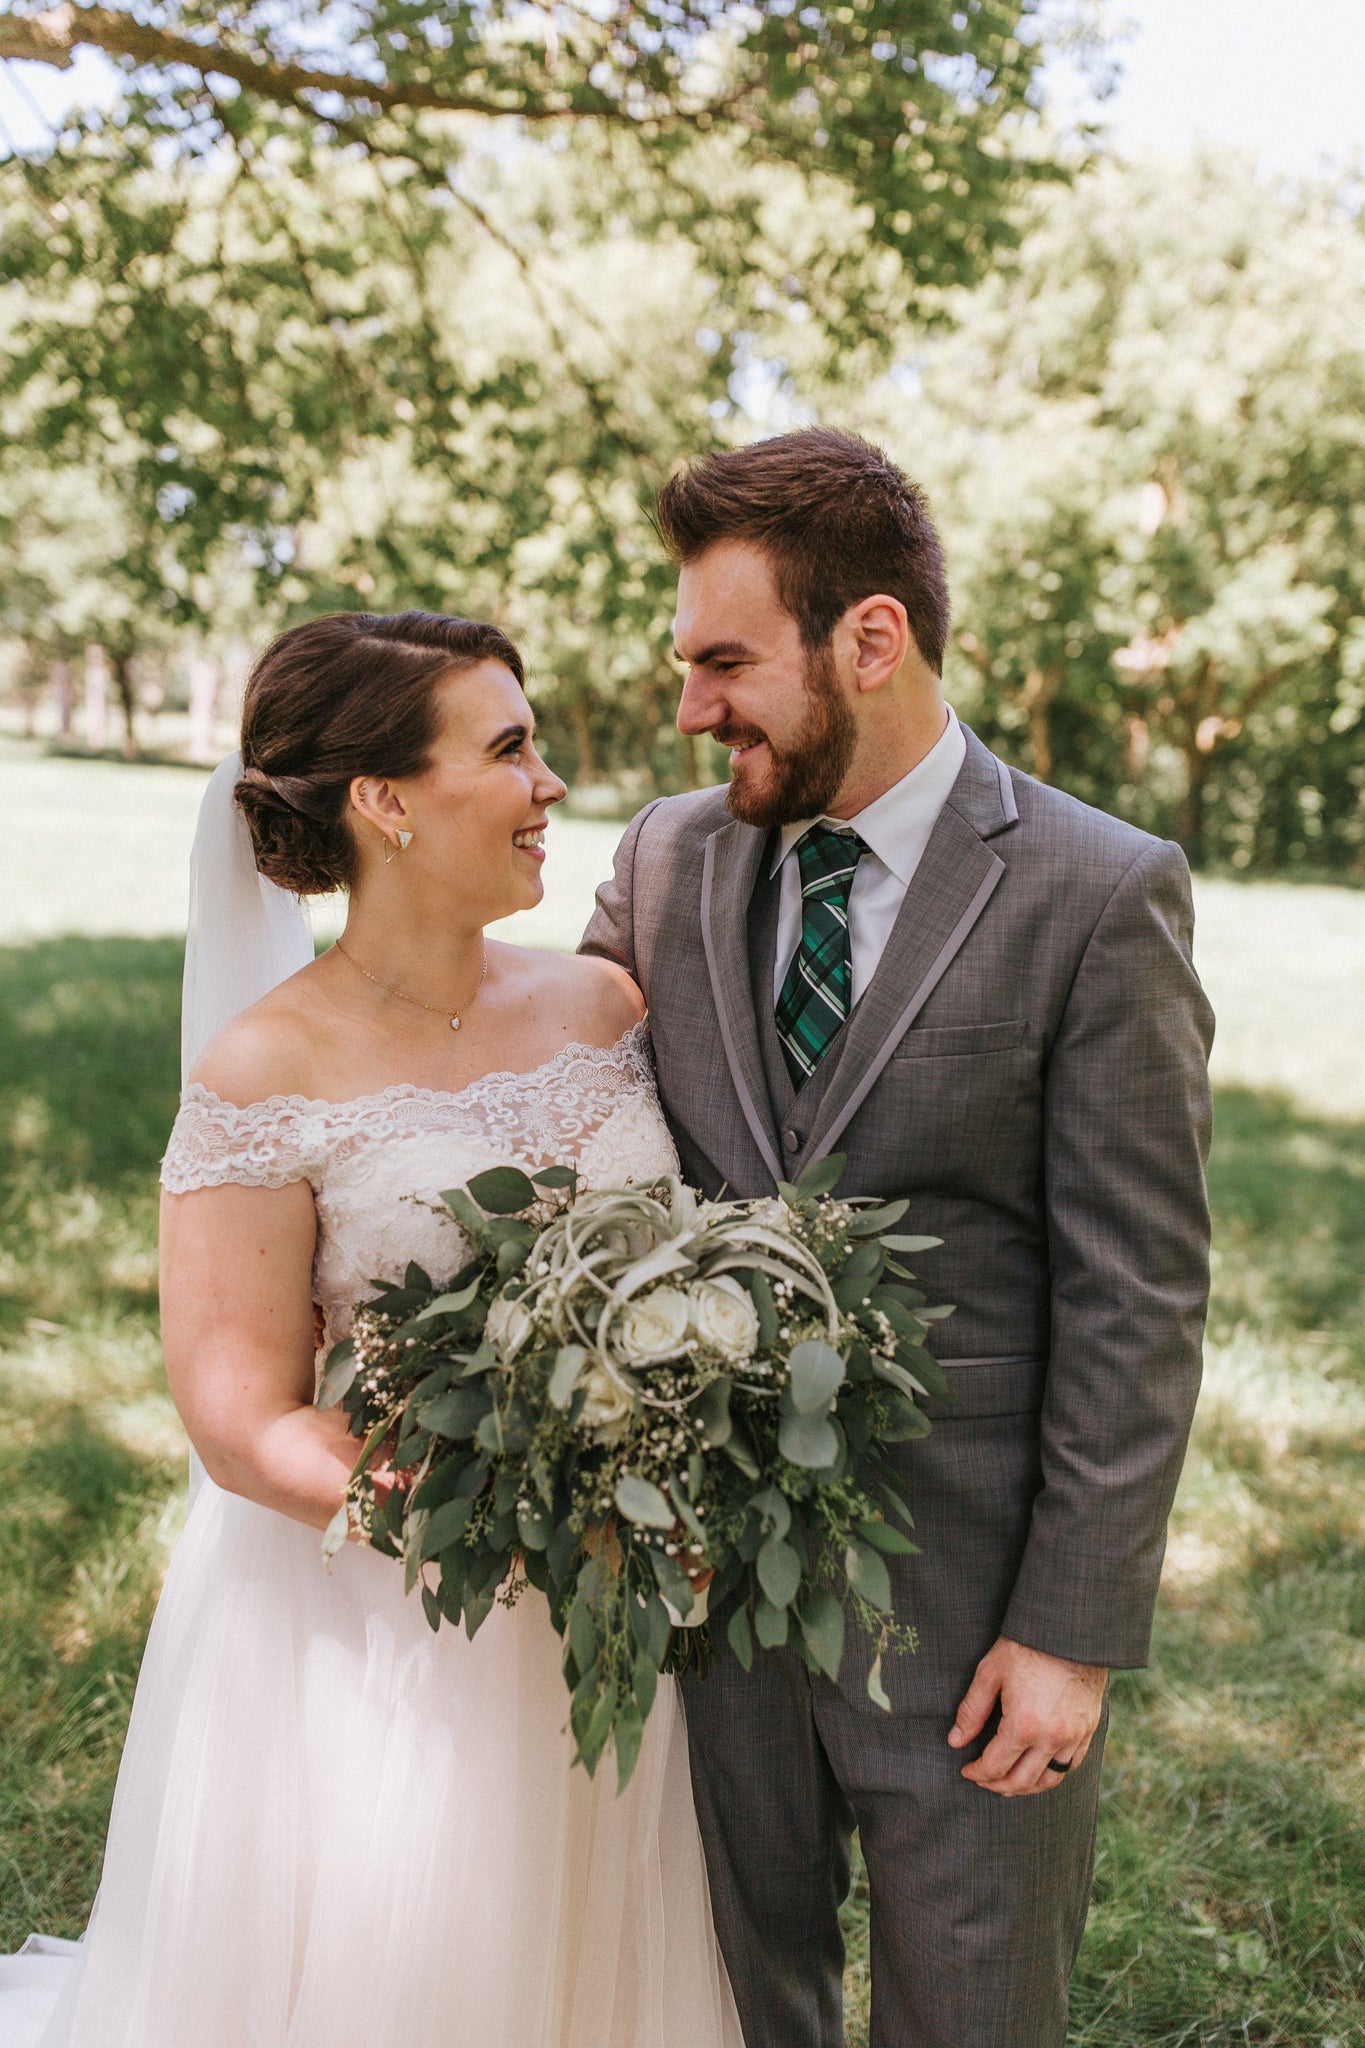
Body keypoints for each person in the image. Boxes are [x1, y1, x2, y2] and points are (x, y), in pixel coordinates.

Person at [1, 611, 740, 2048]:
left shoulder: (603, 1006)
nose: (549, 787)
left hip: (612, 1593)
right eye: (510, 750)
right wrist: (510, 1524)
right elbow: (240, 1418)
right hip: (386, 1617)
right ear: (384, 802)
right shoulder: (264, 1072)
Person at [581, 428, 1215, 2048]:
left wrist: (1070, 1631)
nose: (689, 708)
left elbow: (1135, 1294)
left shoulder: (1096, 890)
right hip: (701, 1599)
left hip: (966, 1618)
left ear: (870, 638)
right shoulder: (665, 854)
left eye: (725, 663)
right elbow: (537, 1110)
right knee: (725, 2007)